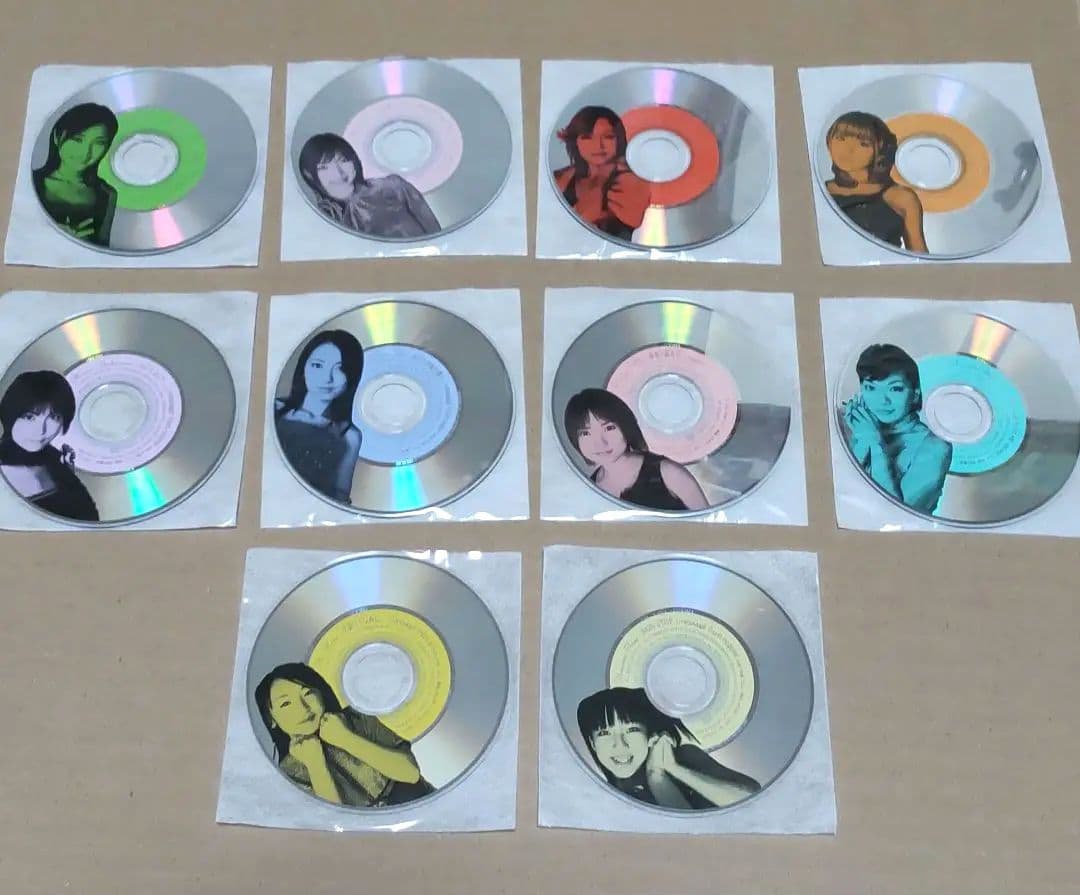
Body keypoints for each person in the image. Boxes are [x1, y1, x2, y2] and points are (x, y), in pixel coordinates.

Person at [254, 662, 433, 808]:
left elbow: (410, 773)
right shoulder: (285, 773)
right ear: (271, 718)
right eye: (285, 704)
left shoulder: (357, 718)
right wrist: (315, 764)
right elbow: (332, 819)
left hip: (423, 805)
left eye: (307, 693)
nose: (303, 707)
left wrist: (346, 738)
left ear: (321, 693)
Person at [577, 687, 760, 810]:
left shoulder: (685, 757)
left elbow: (752, 801)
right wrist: (656, 777)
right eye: (604, 733)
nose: (620, 744)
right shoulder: (596, 798)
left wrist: (671, 769)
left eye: (632, 730)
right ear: (592, 743)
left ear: (650, 734)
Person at [842, 343, 952, 514]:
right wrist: (860, 443)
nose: (882, 400)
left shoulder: (935, 447)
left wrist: (875, 444)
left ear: (915, 393)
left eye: (895, 389)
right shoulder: (847, 426)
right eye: (871, 388)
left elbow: (896, 514)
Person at [564, 388, 708, 511]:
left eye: (609, 428)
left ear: (625, 426)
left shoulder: (668, 473)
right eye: (585, 433)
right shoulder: (588, 488)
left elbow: (710, 525)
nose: (600, 443)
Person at [275, 330, 364, 504]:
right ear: (303, 368)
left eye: (339, 369)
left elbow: (340, 497)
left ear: (352, 375)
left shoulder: (349, 436)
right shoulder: (273, 410)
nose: (327, 378)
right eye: (317, 366)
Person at [298, 133, 441, 238]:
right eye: (325, 167)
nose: (338, 171)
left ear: (353, 161)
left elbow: (434, 230)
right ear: (310, 175)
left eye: (342, 160)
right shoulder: (321, 219)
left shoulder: (393, 187)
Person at [0, 370, 98, 522]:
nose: (41, 430)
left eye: (54, 417)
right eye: (29, 417)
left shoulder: (58, 463)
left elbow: (90, 521)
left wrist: (68, 479)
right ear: (10, 413)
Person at [824, 111, 928, 253]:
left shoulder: (901, 198)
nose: (848, 149)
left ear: (880, 151)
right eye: (840, 138)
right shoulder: (818, 192)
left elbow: (919, 256)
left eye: (863, 144)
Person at [553, 106, 651, 240]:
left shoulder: (632, 181)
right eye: (587, 137)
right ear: (575, 141)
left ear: (619, 139)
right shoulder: (560, 178)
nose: (598, 146)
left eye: (608, 137)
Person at [32, 102, 119, 247]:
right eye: (77, 139)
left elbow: (103, 249)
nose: (86, 152)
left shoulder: (107, 194)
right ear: (57, 136)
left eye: (99, 143)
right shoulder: (32, 181)